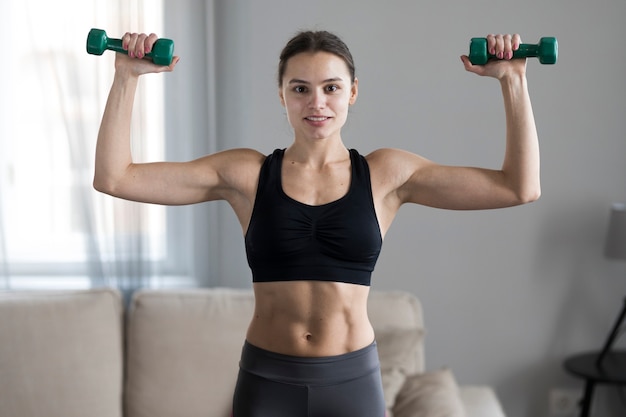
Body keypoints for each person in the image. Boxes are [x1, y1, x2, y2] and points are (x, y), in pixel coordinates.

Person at [94, 30, 540, 417]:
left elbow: (518, 187)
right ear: (282, 95)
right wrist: (126, 76)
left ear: (353, 91)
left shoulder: (387, 175)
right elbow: (116, 177)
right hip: (267, 383)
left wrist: (513, 80)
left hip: (352, 385)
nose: (317, 103)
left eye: (331, 87)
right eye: (300, 89)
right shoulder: (246, 175)